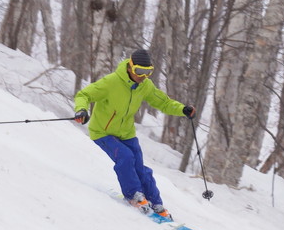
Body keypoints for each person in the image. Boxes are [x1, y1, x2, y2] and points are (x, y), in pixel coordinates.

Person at [74, 48, 196, 218]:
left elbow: (163, 102)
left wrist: (182, 109)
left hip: (126, 132)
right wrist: (81, 110)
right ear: (130, 67)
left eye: (148, 72)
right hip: (102, 131)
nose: (143, 76)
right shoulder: (111, 82)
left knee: (139, 165)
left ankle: (155, 202)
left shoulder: (144, 85)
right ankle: (134, 196)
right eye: (140, 71)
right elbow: (84, 94)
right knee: (126, 157)